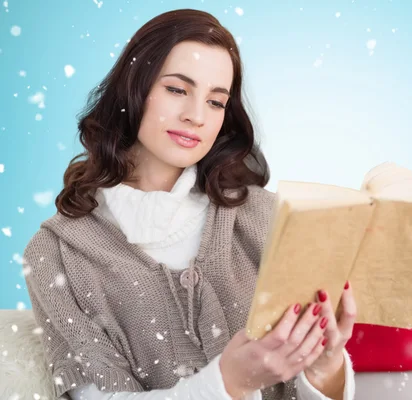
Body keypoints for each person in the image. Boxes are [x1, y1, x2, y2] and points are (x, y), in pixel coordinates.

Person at [22, 8, 357, 400]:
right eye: (177, 90)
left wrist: (325, 369)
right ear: (134, 88)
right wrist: (228, 384)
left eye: (216, 102)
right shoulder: (57, 255)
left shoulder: (267, 218)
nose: (196, 116)